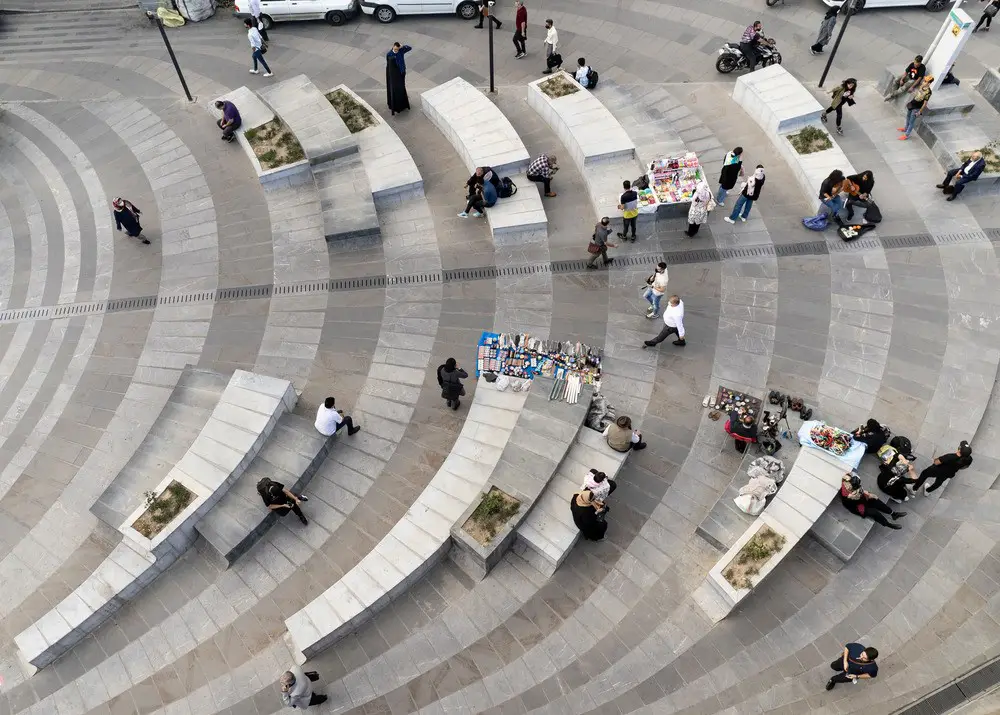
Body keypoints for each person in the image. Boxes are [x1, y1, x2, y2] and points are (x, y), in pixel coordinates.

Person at [840, 473, 906, 529]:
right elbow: (857, 496)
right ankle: (887, 524)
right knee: (875, 513)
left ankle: (893, 514)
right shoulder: (848, 495)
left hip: (862, 499)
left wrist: (869, 494)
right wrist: (865, 494)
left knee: (876, 501)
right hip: (857, 506)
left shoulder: (850, 482)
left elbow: (861, 490)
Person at [899, 75, 933, 140]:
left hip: (917, 107)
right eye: (924, 80)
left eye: (925, 81)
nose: (923, 82)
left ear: (929, 83)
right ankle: (905, 128)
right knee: (908, 116)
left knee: (911, 122)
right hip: (913, 103)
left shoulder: (928, 92)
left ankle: (906, 135)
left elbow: (925, 103)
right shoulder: (921, 87)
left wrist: (919, 112)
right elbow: (917, 95)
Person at [386, 42, 412, 116]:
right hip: (395, 74)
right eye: (395, 49)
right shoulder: (389, 54)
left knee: (403, 85)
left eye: (397, 49)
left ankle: (403, 97)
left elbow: (409, 48)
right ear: (393, 47)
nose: (396, 50)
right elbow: (389, 65)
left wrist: (403, 46)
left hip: (402, 71)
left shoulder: (401, 51)